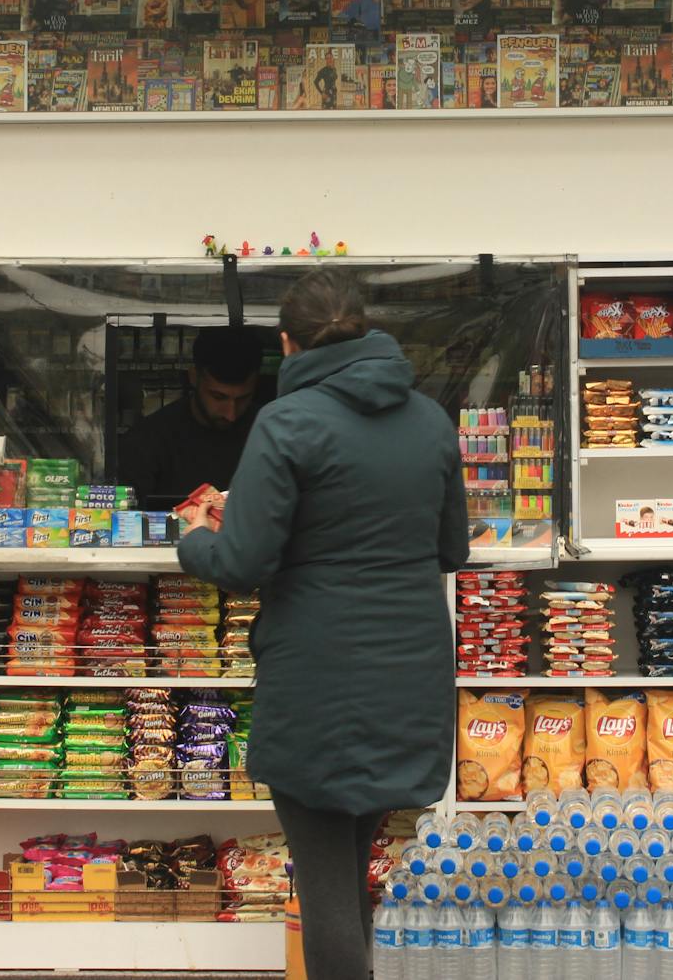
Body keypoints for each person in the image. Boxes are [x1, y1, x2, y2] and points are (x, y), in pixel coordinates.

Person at [174, 273, 465, 980]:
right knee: (347, 871)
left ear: (287, 342)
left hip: (318, 686)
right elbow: (451, 549)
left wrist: (193, 536)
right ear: (366, 329)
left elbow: (242, 561)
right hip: (410, 679)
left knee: (327, 883)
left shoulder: (289, 420)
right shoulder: (430, 420)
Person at [117, 326, 267, 510]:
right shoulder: (149, 440)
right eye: (218, 397)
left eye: (243, 398)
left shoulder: (268, 434)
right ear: (194, 377)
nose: (231, 414)